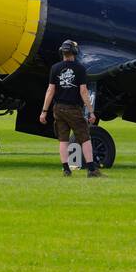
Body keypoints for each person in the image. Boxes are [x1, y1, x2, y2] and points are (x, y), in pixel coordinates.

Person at [39, 40, 101, 177]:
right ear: (74, 52)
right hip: (73, 109)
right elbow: (84, 92)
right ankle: (91, 169)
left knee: (63, 139)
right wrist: (91, 111)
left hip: (58, 109)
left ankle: (66, 169)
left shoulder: (54, 68)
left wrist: (44, 112)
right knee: (85, 137)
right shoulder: (80, 69)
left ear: (62, 52)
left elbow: (50, 90)